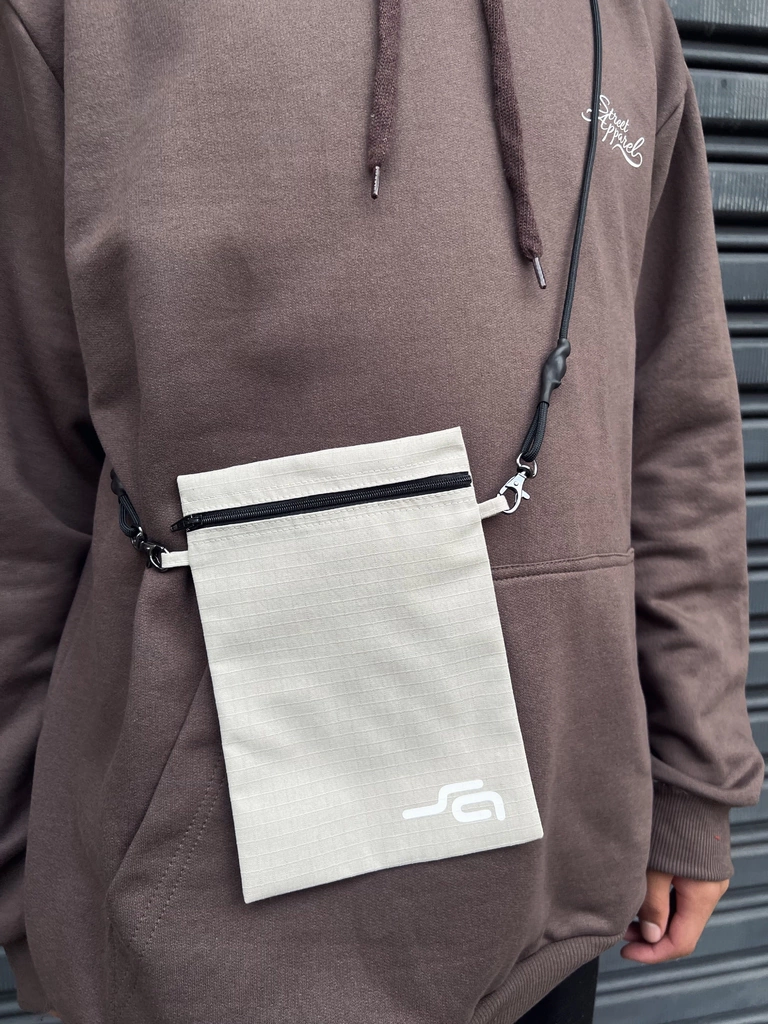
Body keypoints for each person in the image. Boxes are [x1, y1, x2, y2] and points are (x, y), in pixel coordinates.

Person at [1, 0, 763, 1021]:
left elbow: (673, 419)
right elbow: (22, 465)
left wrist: (695, 782)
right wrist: (23, 869)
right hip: (200, 931)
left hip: (551, 885)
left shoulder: (617, 19)